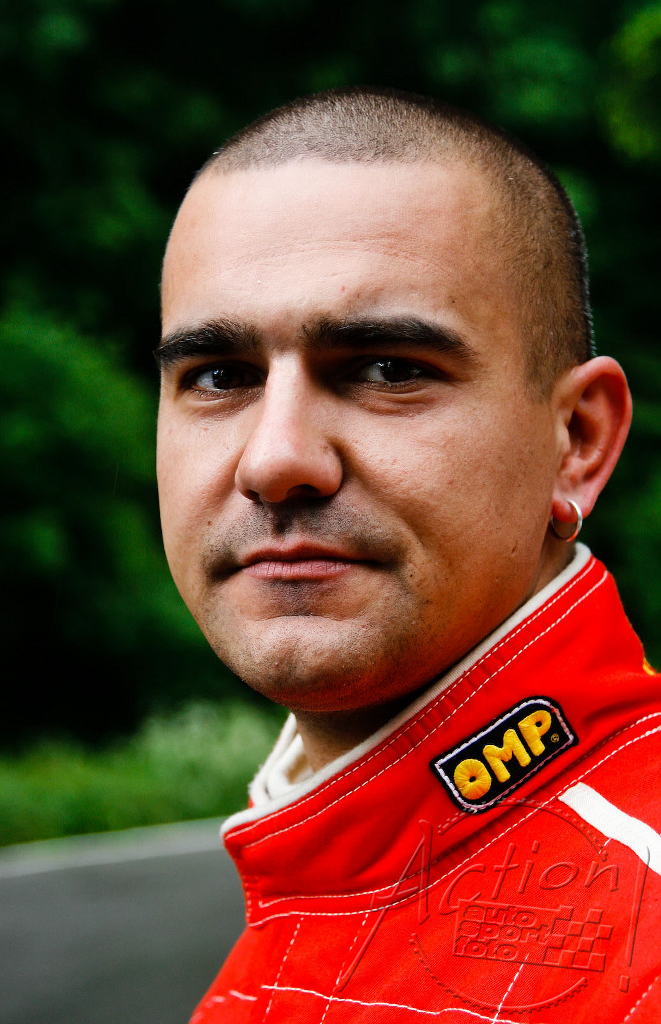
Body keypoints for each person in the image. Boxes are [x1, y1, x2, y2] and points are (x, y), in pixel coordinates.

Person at [156, 87, 660, 1023]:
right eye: (220, 376)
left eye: (389, 369)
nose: (275, 461)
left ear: (578, 442)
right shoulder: (307, 882)